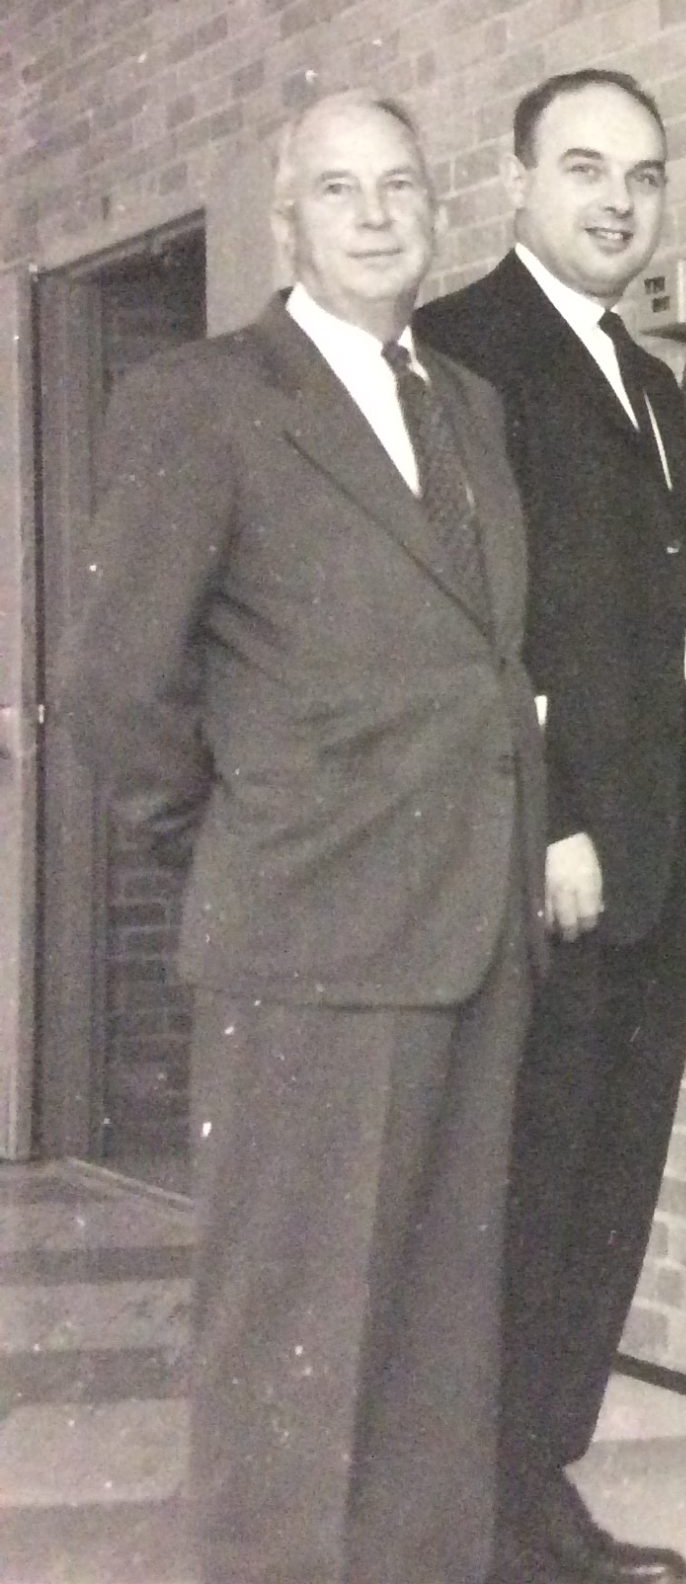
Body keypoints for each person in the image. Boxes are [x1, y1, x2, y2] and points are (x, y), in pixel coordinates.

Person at [66, 91, 544, 1584]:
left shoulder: (466, 405)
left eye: (401, 185)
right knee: (290, 1333)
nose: (379, 215)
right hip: (305, 939)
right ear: (289, 225)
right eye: (340, 192)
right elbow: (111, 685)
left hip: (471, 931)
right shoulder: (203, 398)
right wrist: (223, 849)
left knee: (436, 1330)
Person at [414, 69, 686, 1584]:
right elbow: (485, 623)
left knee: (609, 1190)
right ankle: (488, 1508)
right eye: (586, 168)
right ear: (515, 179)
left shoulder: (649, 378)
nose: (618, 200)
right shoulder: (469, 349)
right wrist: (556, 828)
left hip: (660, 861)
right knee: (529, 1192)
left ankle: (539, 1487)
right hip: (566, 857)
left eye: (644, 175)